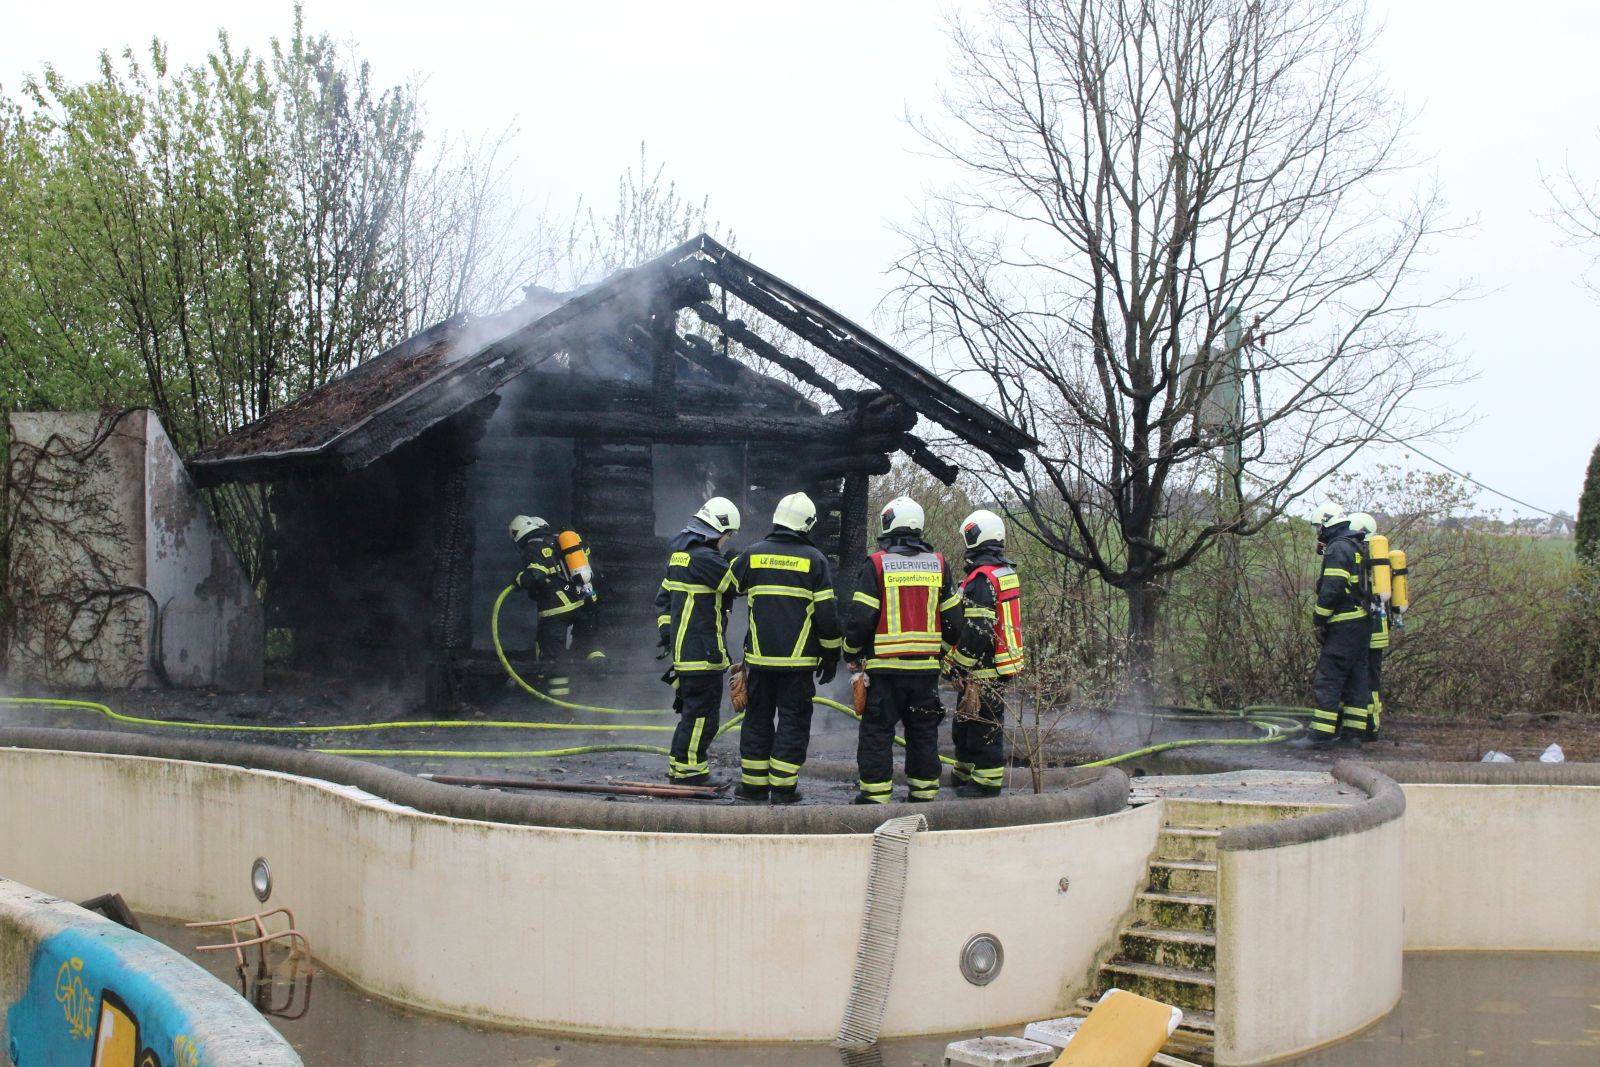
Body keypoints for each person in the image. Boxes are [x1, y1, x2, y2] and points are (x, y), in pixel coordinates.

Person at [720, 492, 841, 803]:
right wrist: (830, 654)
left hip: (758, 662)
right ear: (807, 525)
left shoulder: (753, 555)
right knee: (793, 721)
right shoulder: (815, 560)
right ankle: (784, 789)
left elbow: (726, 586)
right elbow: (827, 614)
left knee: (757, 719)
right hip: (798, 665)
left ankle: (753, 786)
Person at [843, 496, 963, 803]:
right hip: (925, 673)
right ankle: (923, 795)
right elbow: (955, 621)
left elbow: (860, 619)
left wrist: (852, 655)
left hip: (884, 673)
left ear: (887, 525)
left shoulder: (877, 564)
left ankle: (875, 797)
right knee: (923, 733)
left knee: (877, 733)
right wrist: (941, 652)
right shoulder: (938, 564)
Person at [654, 496, 741, 785]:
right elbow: (736, 585)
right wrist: (738, 561)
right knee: (703, 717)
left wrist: (669, 634)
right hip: (703, 654)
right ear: (718, 530)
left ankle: (679, 767)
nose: (726, 542)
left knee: (690, 714)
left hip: (685, 652)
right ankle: (691, 773)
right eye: (727, 536)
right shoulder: (705, 558)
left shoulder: (679, 556)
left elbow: (663, 599)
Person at [946, 509, 1024, 798]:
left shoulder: (981, 579)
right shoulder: (1004, 572)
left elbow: (978, 630)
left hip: (983, 669)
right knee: (965, 721)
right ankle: (964, 771)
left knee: (983, 727)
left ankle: (987, 784)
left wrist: (957, 666)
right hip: (998, 665)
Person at [509, 515, 599, 699]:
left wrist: (518, 580)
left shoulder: (532, 547)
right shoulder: (561, 540)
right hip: (584, 602)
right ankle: (599, 688)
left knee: (553, 654)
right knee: (588, 644)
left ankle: (559, 701)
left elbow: (535, 575)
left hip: (556, 609)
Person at [1308, 507, 1370, 745]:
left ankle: (1321, 733)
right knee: (1356, 677)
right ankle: (1353, 734)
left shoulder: (1338, 547)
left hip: (1343, 623)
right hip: (1362, 623)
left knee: (1330, 675)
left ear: (1327, 524)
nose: (1318, 532)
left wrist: (1319, 618)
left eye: (1318, 527)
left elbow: (1332, 588)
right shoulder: (1357, 546)